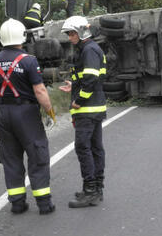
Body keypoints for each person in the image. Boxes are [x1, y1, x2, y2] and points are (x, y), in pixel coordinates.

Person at [0, 18, 56, 215]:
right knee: (37, 154)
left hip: (4, 113)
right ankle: (44, 204)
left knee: (10, 157)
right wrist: (49, 111)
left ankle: (17, 203)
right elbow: (40, 91)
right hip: (26, 113)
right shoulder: (29, 61)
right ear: (22, 36)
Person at [59, 16, 107, 208]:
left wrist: (78, 100)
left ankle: (90, 191)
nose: (70, 37)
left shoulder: (88, 50)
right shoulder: (89, 49)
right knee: (94, 148)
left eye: (72, 33)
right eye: (69, 34)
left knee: (83, 148)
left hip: (87, 110)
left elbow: (91, 79)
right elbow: (87, 78)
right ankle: (96, 189)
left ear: (82, 32)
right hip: (93, 108)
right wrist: (74, 85)